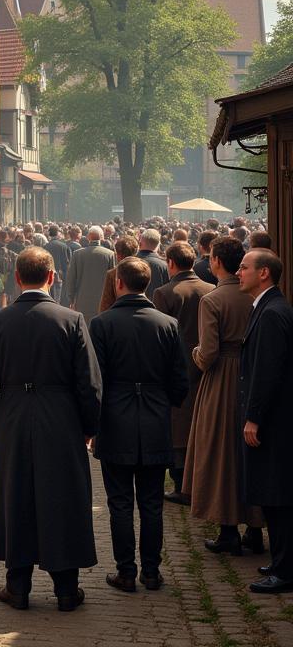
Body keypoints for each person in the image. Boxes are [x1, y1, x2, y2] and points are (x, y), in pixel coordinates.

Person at [0, 246, 102, 612]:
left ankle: (18, 586)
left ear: (16, 277)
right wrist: (89, 426)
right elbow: (89, 384)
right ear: (52, 277)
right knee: (63, 497)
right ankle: (65, 588)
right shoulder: (72, 319)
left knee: (16, 497)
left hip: (13, 415)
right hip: (61, 416)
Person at [89, 258, 188, 593]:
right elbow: (179, 380)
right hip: (155, 417)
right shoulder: (168, 324)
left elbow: (95, 381)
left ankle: (126, 571)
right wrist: (166, 402)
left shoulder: (102, 324)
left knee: (119, 502)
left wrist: (92, 421)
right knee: (152, 502)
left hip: (116, 419)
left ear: (119, 283)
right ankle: (152, 571)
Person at [184, 237, 264, 556]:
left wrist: (196, 355)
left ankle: (228, 529)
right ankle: (256, 528)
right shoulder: (254, 296)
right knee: (249, 451)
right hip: (251, 374)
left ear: (216, 261)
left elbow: (209, 352)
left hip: (222, 380)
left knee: (220, 452)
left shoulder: (213, 299)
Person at [237, 249, 293, 593]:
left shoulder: (272, 313)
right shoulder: (268, 308)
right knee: (272, 494)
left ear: (264, 274)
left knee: (278, 494)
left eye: (245, 267)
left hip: (274, 422)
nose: (238, 272)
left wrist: (253, 418)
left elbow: (266, 372)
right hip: (274, 420)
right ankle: (281, 561)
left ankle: (286, 570)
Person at [152, 241, 212, 504]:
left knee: (177, 426)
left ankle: (180, 484)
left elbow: (159, 337)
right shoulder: (210, 289)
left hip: (176, 366)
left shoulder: (164, 293)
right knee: (200, 422)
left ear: (171, 263)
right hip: (206, 365)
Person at [64, 226, 114, 320]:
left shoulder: (77, 254)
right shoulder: (110, 255)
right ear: (101, 237)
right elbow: (112, 280)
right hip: (104, 301)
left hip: (82, 300)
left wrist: (71, 299)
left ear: (88, 237)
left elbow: (71, 279)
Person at [99, 235, 139, 314]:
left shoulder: (113, 274)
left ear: (118, 255)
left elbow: (106, 304)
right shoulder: (145, 270)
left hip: (117, 317)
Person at [137, 229, 169, 299]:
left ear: (140, 243)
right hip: (156, 307)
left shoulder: (128, 262)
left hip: (132, 308)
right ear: (158, 245)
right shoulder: (164, 266)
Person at [46, 224, 72, 303]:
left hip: (48, 277)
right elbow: (69, 262)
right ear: (57, 233)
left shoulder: (45, 246)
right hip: (61, 277)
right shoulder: (64, 246)